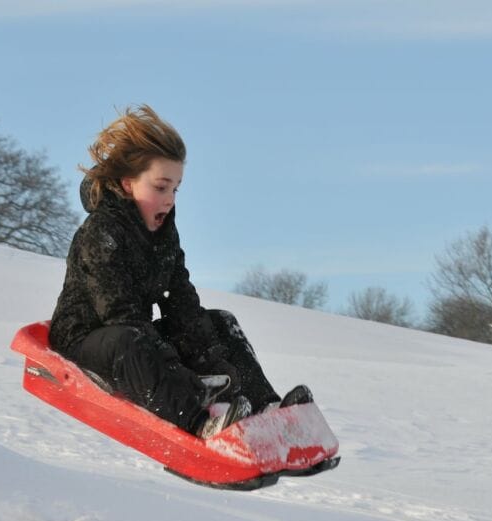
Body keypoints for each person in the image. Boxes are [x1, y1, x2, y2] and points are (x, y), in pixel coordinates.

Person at [48, 105, 312, 439]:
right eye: (160, 188)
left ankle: (266, 409)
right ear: (128, 183)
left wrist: (215, 361)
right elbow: (119, 313)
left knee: (219, 322)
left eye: (175, 188)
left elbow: (181, 301)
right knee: (133, 339)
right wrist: (188, 369)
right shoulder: (102, 232)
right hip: (88, 340)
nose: (170, 199)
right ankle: (198, 421)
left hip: (135, 336)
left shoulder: (163, 236)